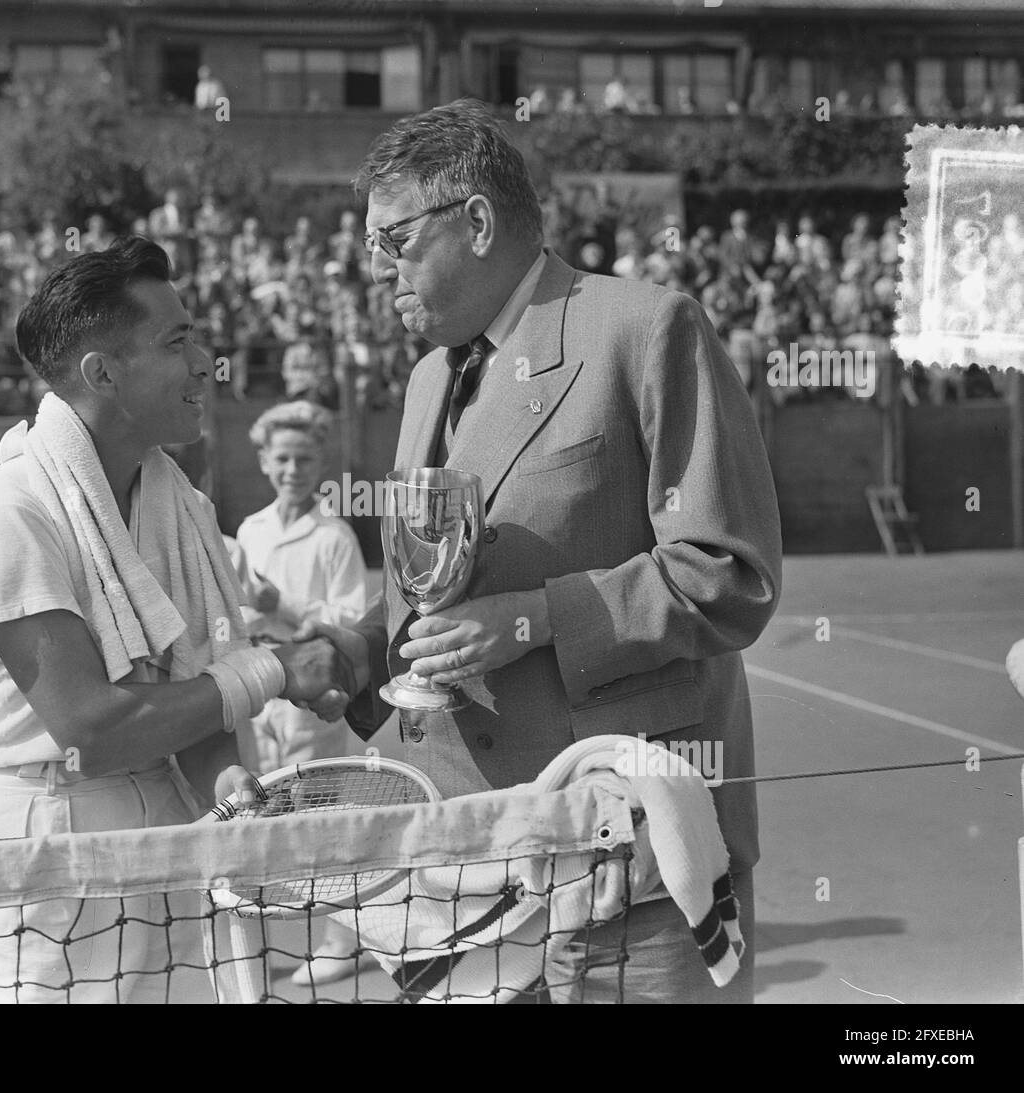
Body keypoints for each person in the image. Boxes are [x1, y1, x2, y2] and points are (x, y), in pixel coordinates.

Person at [296, 100, 782, 1004]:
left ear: (477, 222)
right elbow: (438, 587)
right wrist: (356, 651)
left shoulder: (646, 328)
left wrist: (531, 619)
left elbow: (730, 571)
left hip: (628, 862)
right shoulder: (428, 377)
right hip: (467, 866)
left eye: (393, 240)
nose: (377, 267)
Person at [0, 237, 356, 1002]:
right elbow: (93, 729)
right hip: (43, 854)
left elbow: (191, 693)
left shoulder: (181, 505)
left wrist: (226, 779)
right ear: (103, 373)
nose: (204, 363)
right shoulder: (5, 512)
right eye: (176, 342)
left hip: (167, 834)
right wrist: (271, 669)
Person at [234, 400, 371, 984]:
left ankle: (344, 941)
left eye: (304, 459)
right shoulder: (250, 530)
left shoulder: (335, 536)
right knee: (254, 814)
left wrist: (282, 606)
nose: (293, 470)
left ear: (321, 463)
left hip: (313, 697)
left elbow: (352, 619)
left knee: (321, 816)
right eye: (282, 458)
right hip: (253, 686)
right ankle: (252, 944)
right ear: (265, 461)